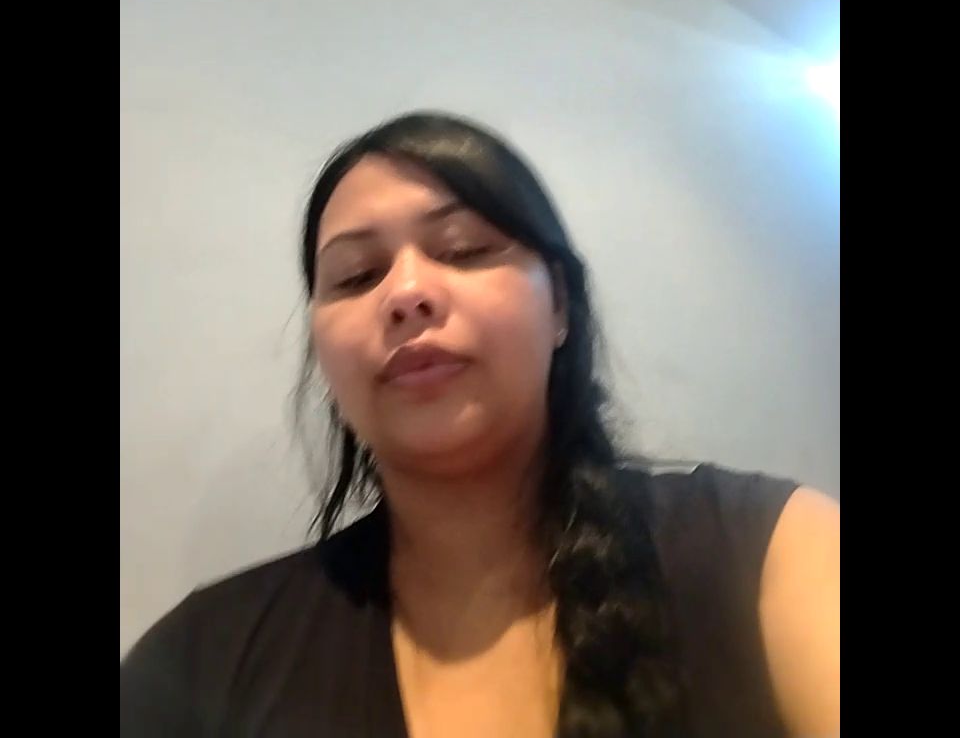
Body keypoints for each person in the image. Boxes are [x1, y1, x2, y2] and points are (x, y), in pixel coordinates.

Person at [120, 111, 840, 738]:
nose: (405, 292)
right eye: (357, 275)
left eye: (463, 249)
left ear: (559, 306)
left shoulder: (772, 553)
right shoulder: (200, 661)